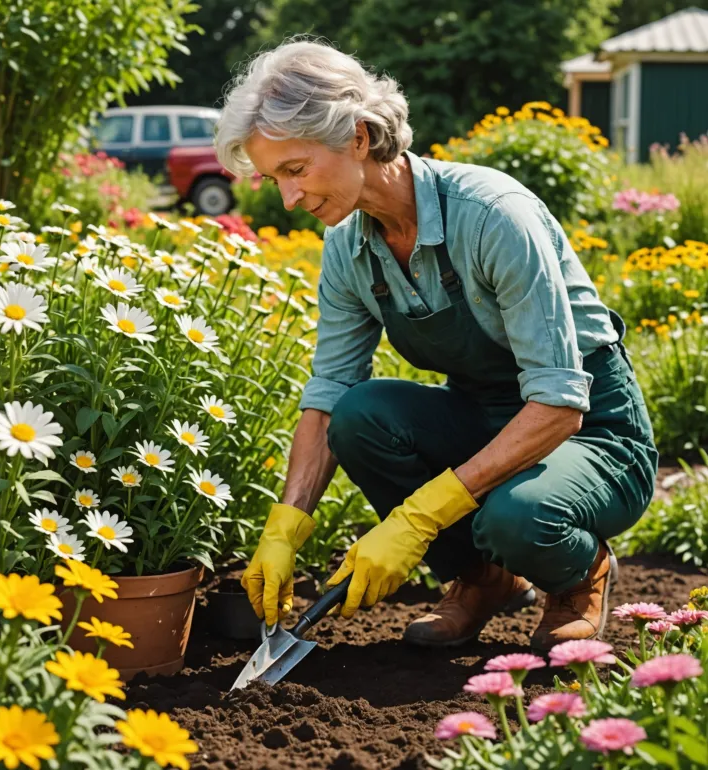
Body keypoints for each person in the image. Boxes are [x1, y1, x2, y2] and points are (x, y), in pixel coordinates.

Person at [214, 39, 658, 652]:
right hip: (486, 415)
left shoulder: (493, 215)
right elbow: (331, 391)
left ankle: (579, 575)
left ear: (359, 137)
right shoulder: (348, 247)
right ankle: (482, 580)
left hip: (589, 433)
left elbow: (559, 404)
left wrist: (418, 518)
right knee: (359, 415)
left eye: (296, 170)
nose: (288, 199)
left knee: (517, 516)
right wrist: (285, 527)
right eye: (273, 179)